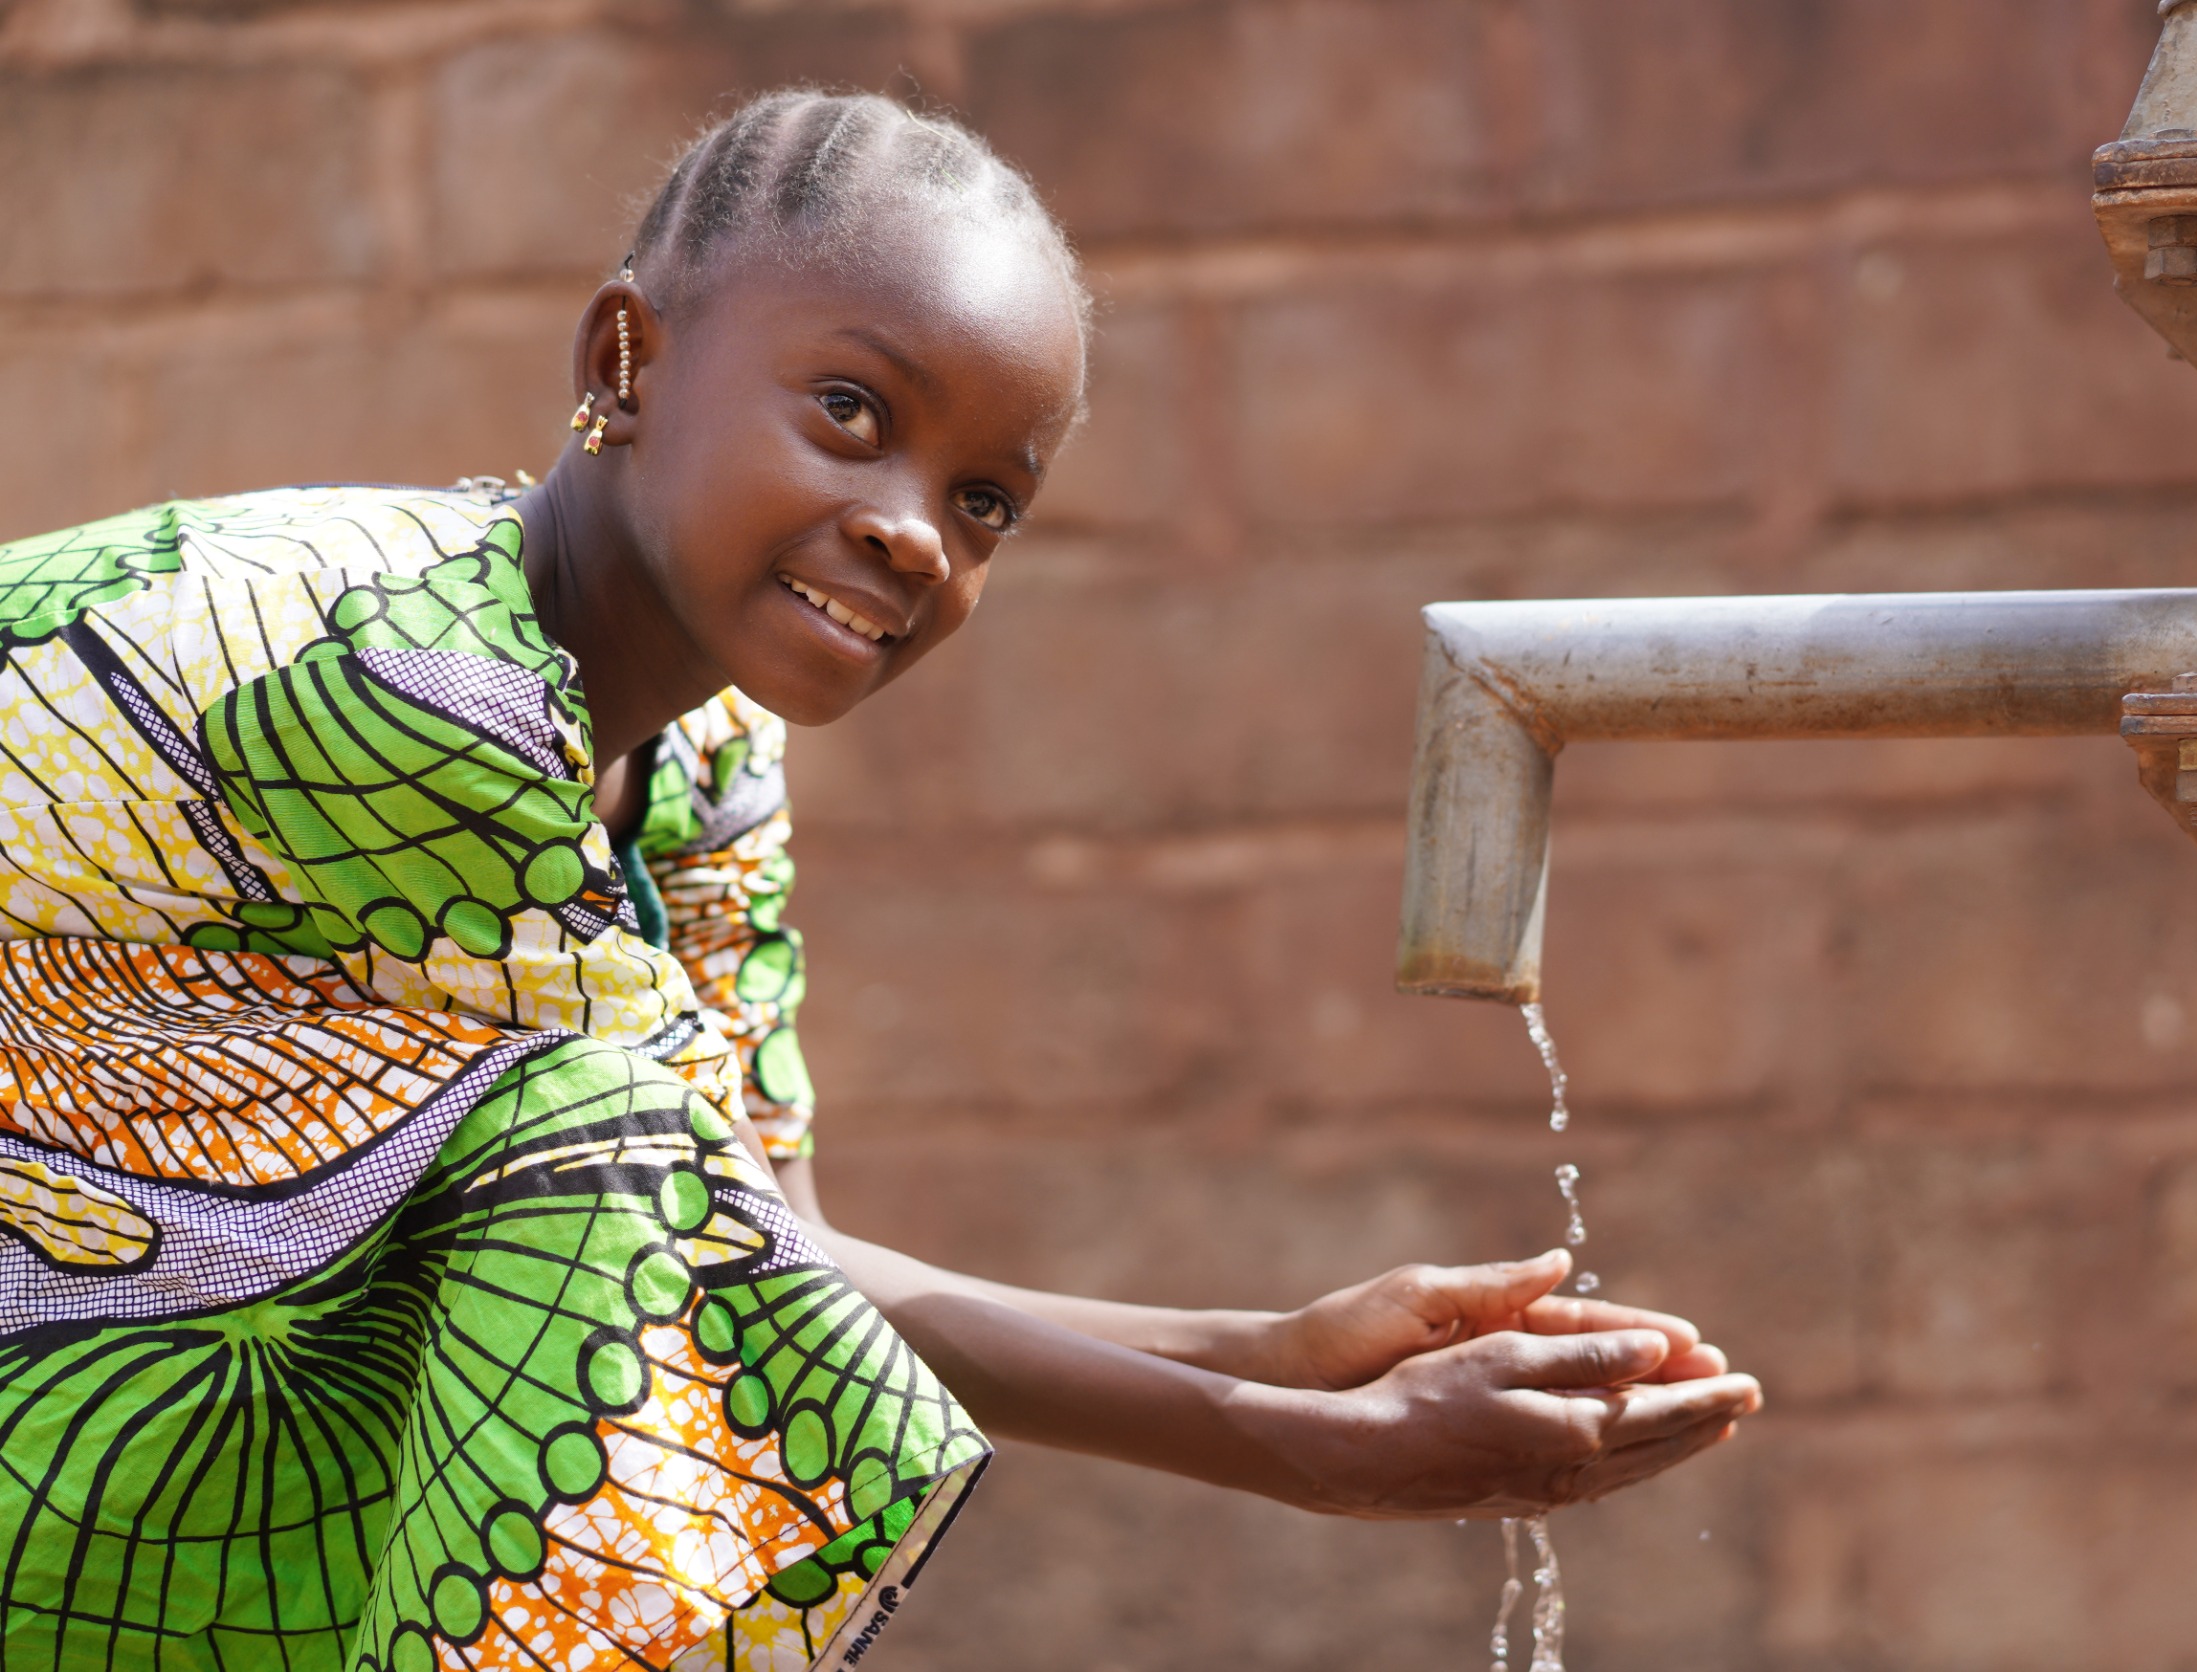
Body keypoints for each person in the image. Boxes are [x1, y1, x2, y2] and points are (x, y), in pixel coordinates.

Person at [0, 90, 1761, 1671]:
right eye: (850, 412)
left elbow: (772, 1245)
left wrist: (1275, 1347)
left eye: (986, 500)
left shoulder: (697, 754)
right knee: (574, 1169)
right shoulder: (413, 683)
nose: (915, 528)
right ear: (626, 360)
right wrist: (1305, 1452)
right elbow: (675, 1241)